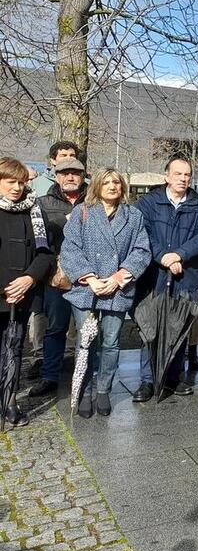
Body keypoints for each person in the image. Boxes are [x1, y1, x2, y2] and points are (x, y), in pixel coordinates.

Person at [60, 168, 151, 418]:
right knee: (85, 342)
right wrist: (89, 278)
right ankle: (85, 391)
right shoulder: (83, 212)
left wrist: (119, 277)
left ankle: (103, 391)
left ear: (123, 187)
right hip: (86, 289)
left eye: (117, 182)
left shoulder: (133, 216)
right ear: (97, 186)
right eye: (107, 182)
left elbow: (142, 251)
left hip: (116, 289)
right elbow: (70, 249)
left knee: (111, 343)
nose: (112, 186)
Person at [133, 155, 198, 401]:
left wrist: (178, 255)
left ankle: (175, 377)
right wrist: (163, 256)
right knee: (150, 326)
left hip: (184, 273)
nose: (183, 178)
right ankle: (147, 380)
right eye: (178, 174)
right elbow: (142, 233)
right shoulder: (148, 203)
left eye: (187, 174)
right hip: (154, 274)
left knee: (179, 324)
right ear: (167, 176)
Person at [0, 158, 54, 427]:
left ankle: (9, 402)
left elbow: (45, 253)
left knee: (13, 349)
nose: (17, 188)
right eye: (11, 182)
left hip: (22, 294)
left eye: (21, 182)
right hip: (2, 291)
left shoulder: (35, 211)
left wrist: (28, 279)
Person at [27, 157, 86, 398]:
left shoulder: (94, 201)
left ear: (83, 176)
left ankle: (85, 375)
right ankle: (50, 375)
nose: (70, 177)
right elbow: (37, 239)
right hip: (57, 276)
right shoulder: (41, 203)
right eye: (65, 173)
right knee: (55, 328)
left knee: (87, 329)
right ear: (57, 176)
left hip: (87, 277)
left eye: (75, 173)